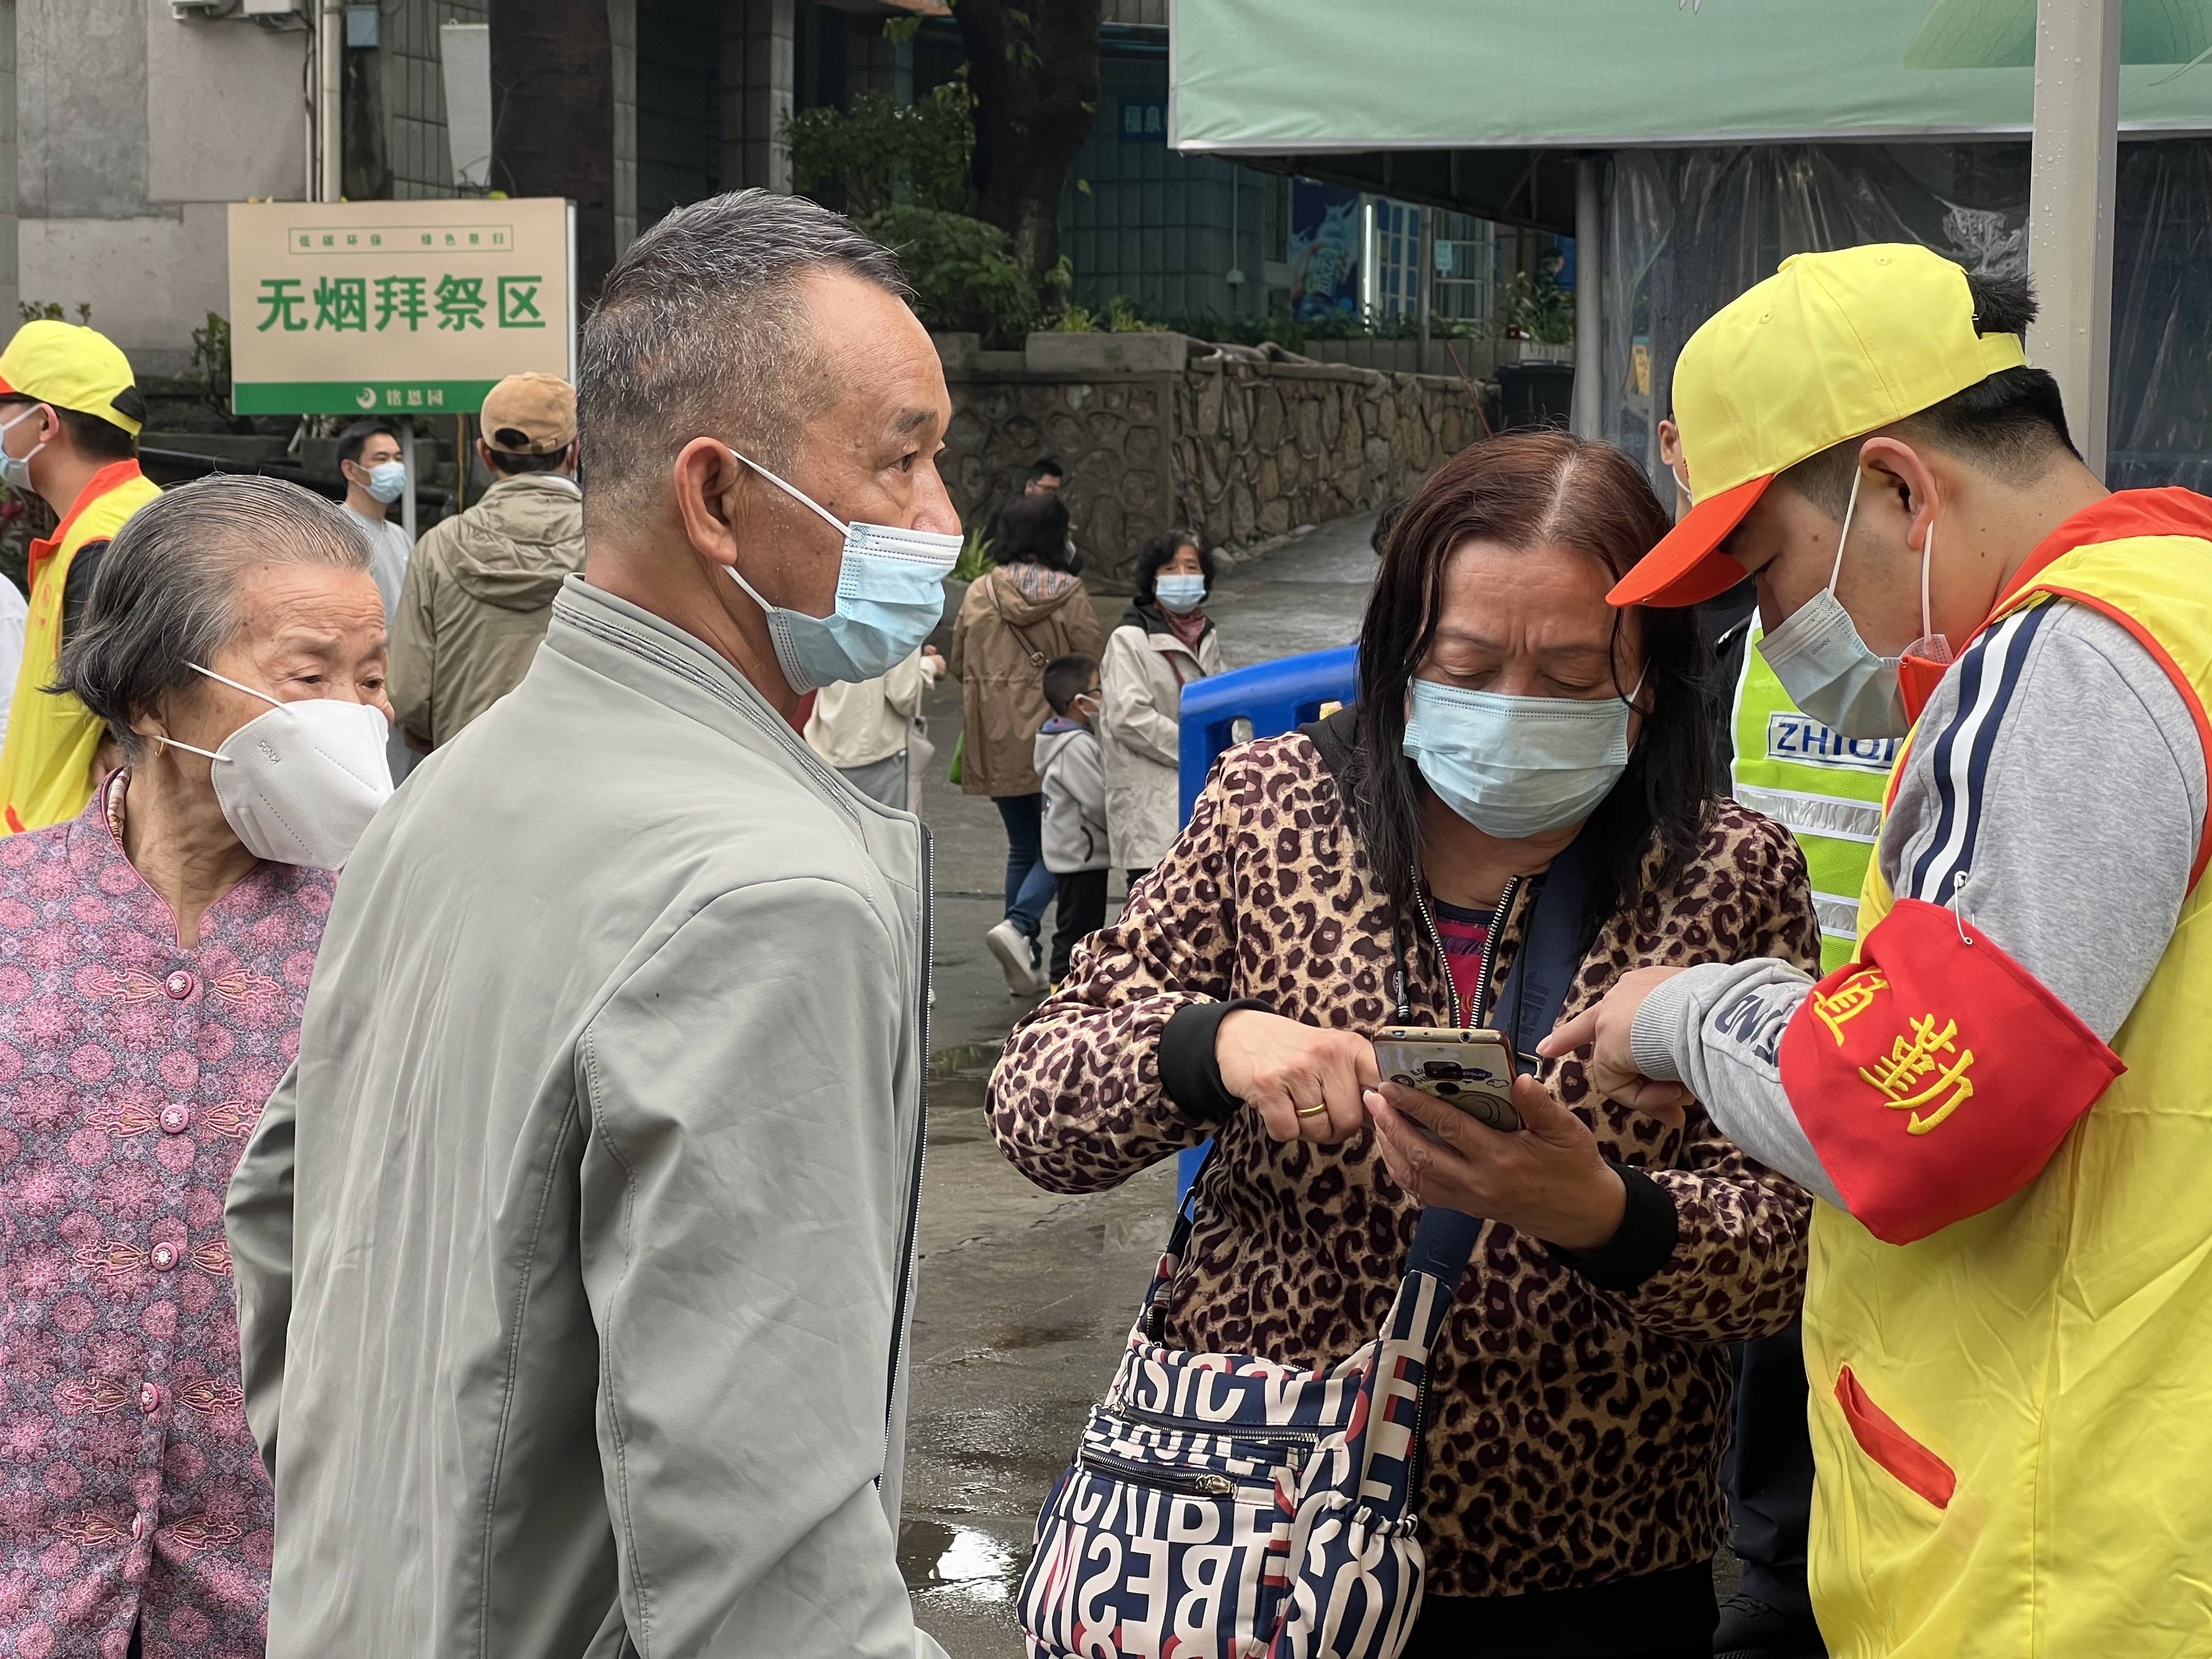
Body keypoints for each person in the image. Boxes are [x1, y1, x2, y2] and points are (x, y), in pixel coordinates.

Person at [225, 189, 956, 1659]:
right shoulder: (765, 895)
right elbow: (765, 1579)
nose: (943, 520)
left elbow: (275, 1219)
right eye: (904, 460)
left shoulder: (446, 793)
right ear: (717, 497)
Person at [990, 431, 1821, 1659]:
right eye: (1470, 664)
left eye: (1577, 672)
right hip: (1257, 1540)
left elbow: (1794, 1249)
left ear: (1657, 678)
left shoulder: (1731, 875)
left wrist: (1604, 1212)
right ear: (1401, 658)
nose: (1516, 708)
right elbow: (1034, 1105)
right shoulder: (1273, 808)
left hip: (1594, 1564)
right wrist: (1210, 1047)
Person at [1551, 246, 2212, 1659]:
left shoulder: (2064, 658)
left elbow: (1922, 1114)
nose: (1774, 628)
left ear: (1903, 490)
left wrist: (1681, 1015)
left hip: (2068, 1560)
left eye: (1771, 566)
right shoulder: (2190, 607)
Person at [0, 475, 391, 1658]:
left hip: (294, 1603)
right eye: (306, 675)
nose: (352, 716)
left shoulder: (395, 943)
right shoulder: (17, 925)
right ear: (156, 695)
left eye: (369, 681)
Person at [1667, 411, 1834, 1659]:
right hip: (1760, 1038)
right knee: (1768, 1328)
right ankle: (1775, 1574)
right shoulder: (1731, 634)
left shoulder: (1964, 651)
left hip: (1911, 1039)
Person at [0, 319, 161, 833]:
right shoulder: (116, 522)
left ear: (45, 423)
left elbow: (142, 711)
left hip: (71, 863)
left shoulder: (107, 541)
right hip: (56, 849)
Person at [951, 489, 1102, 997]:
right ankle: (1019, 926)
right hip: (1055, 737)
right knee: (1060, 845)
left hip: (993, 738)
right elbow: (1092, 664)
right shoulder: (1071, 594)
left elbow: (958, 662)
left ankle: (1024, 958)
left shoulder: (979, 594)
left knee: (1023, 846)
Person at [388, 373, 587, 752]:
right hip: (583, 777)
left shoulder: (438, 547)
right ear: (576, 452)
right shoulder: (611, 543)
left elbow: (407, 694)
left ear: (485, 453)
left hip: (466, 773)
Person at [1099, 526, 1225, 884]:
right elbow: (1129, 717)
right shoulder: (1129, 639)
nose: (1182, 577)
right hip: (1150, 805)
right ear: (1152, 580)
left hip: (1198, 802)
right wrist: (1196, 748)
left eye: (1191, 567)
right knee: (1152, 916)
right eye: (1170, 569)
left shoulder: (1206, 636)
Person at [1035, 651, 1108, 985]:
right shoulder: (1076, 746)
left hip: (1075, 851)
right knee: (1078, 929)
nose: (1103, 694)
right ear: (1080, 702)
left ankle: (1069, 985)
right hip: (1082, 854)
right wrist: (1118, 829)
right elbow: (1096, 800)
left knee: (1079, 925)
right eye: (1098, 688)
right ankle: (1059, 989)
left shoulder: (1060, 739)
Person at [804, 645, 943, 810]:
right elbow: (905, 696)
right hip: (877, 753)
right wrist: (929, 666)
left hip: (826, 740)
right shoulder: (901, 618)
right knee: (885, 831)